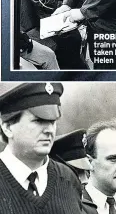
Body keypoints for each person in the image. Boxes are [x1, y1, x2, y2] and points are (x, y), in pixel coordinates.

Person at [0, 82, 82, 214]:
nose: (49, 130)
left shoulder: (69, 179)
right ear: (8, 127)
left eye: (52, 121)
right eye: (38, 121)